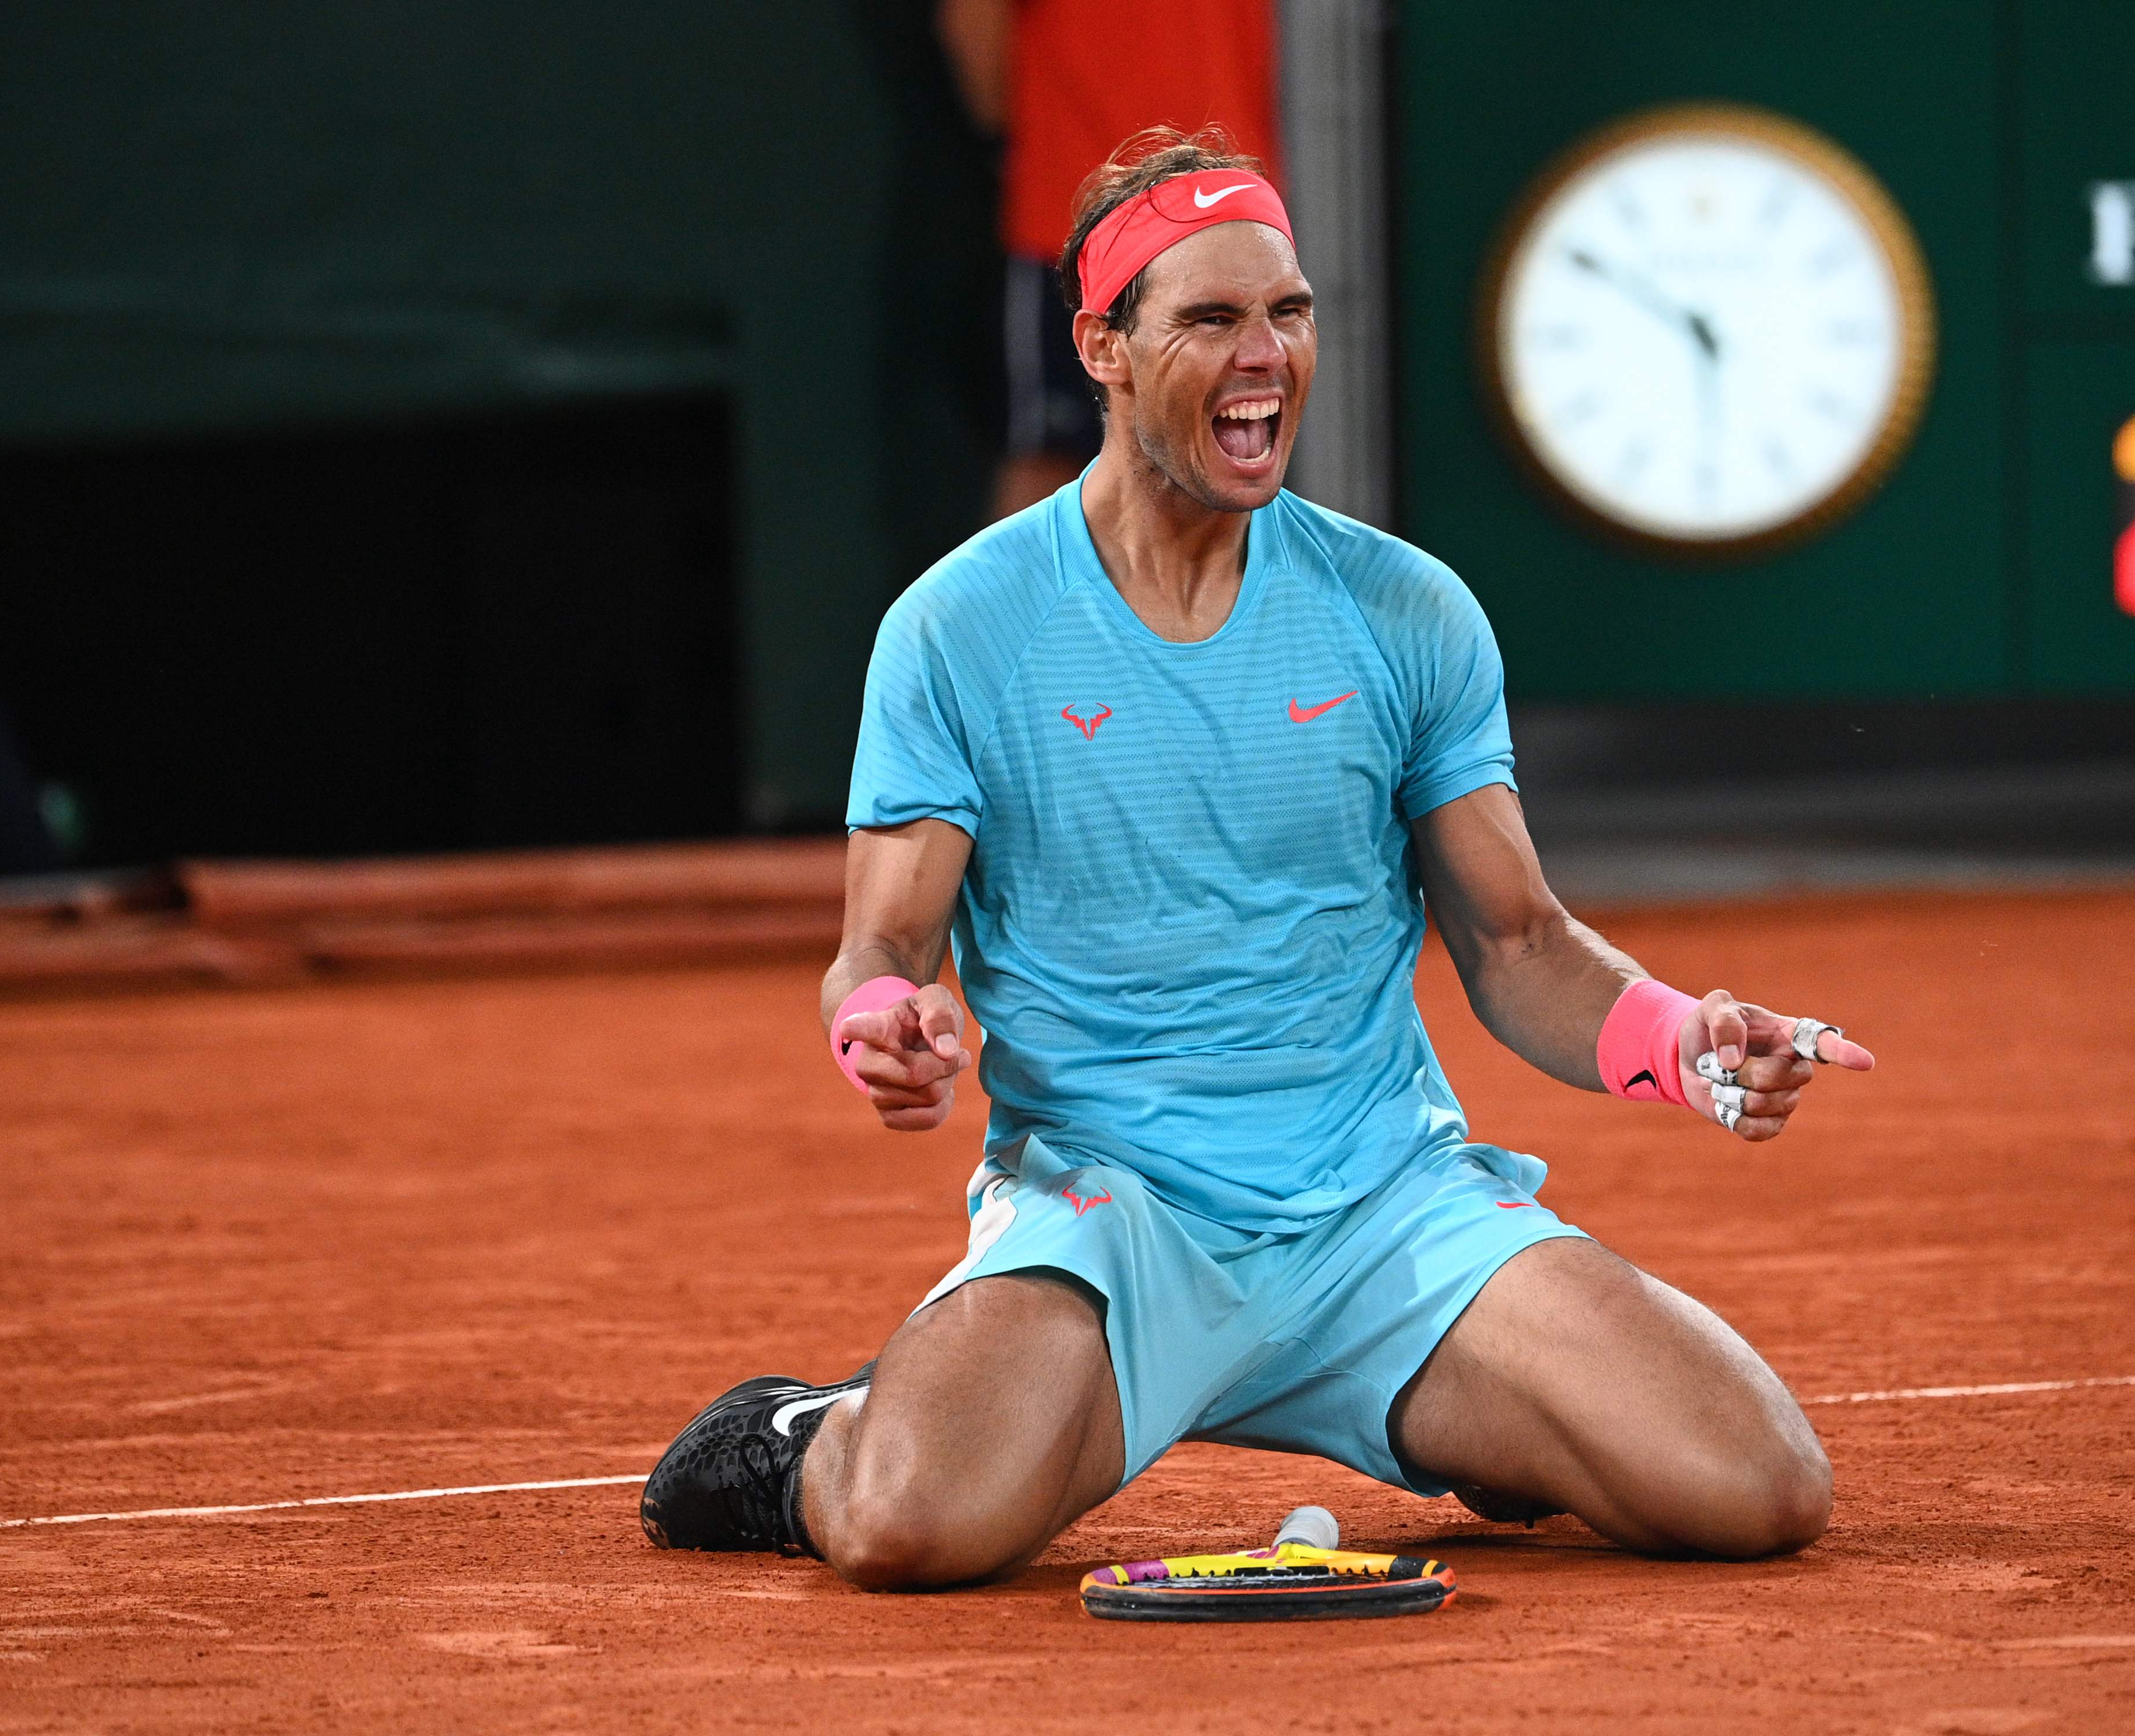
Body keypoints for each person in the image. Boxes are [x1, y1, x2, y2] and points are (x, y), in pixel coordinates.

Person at [639, 129, 1875, 1590]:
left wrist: (1682, 1036)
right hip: (1113, 1225)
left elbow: (1517, 944)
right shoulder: (958, 626)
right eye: (1213, 319)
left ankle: (1473, 1419)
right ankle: (809, 1433)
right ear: (1101, 346)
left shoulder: (1402, 610)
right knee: (909, 1527)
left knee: (1756, 1485)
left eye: (1288, 313)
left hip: (1383, 1215)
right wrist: (882, 1025)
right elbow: (886, 946)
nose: (1266, 356)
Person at [935, 0, 1280, 519]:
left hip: (1237, 219)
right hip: (1080, 215)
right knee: (1054, 465)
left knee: (1239, 455)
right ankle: (1022, 604)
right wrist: (1038, 137)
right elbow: (972, 19)